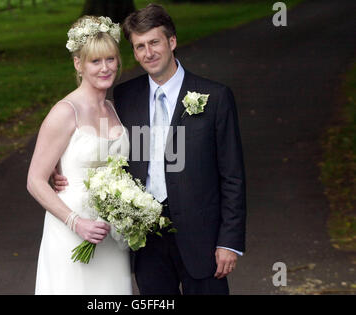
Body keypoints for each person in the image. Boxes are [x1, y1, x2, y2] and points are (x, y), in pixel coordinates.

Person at [54, 4, 246, 295]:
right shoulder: (126, 96)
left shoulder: (215, 97)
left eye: (154, 42)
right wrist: (63, 170)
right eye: (139, 46)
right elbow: (107, 148)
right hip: (146, 238)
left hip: (202, 239)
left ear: (172, 42)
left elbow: (232, 175)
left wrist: (228, 241)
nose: (148, 53)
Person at [27, 15, 132, 295]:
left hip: (111, 233)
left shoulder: (114, 109)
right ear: (78, 64)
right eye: (95, 61)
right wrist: (77, 222)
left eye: (110, 59)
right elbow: (35, 180)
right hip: (71, 231)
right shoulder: (65, 112)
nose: (105, 67)